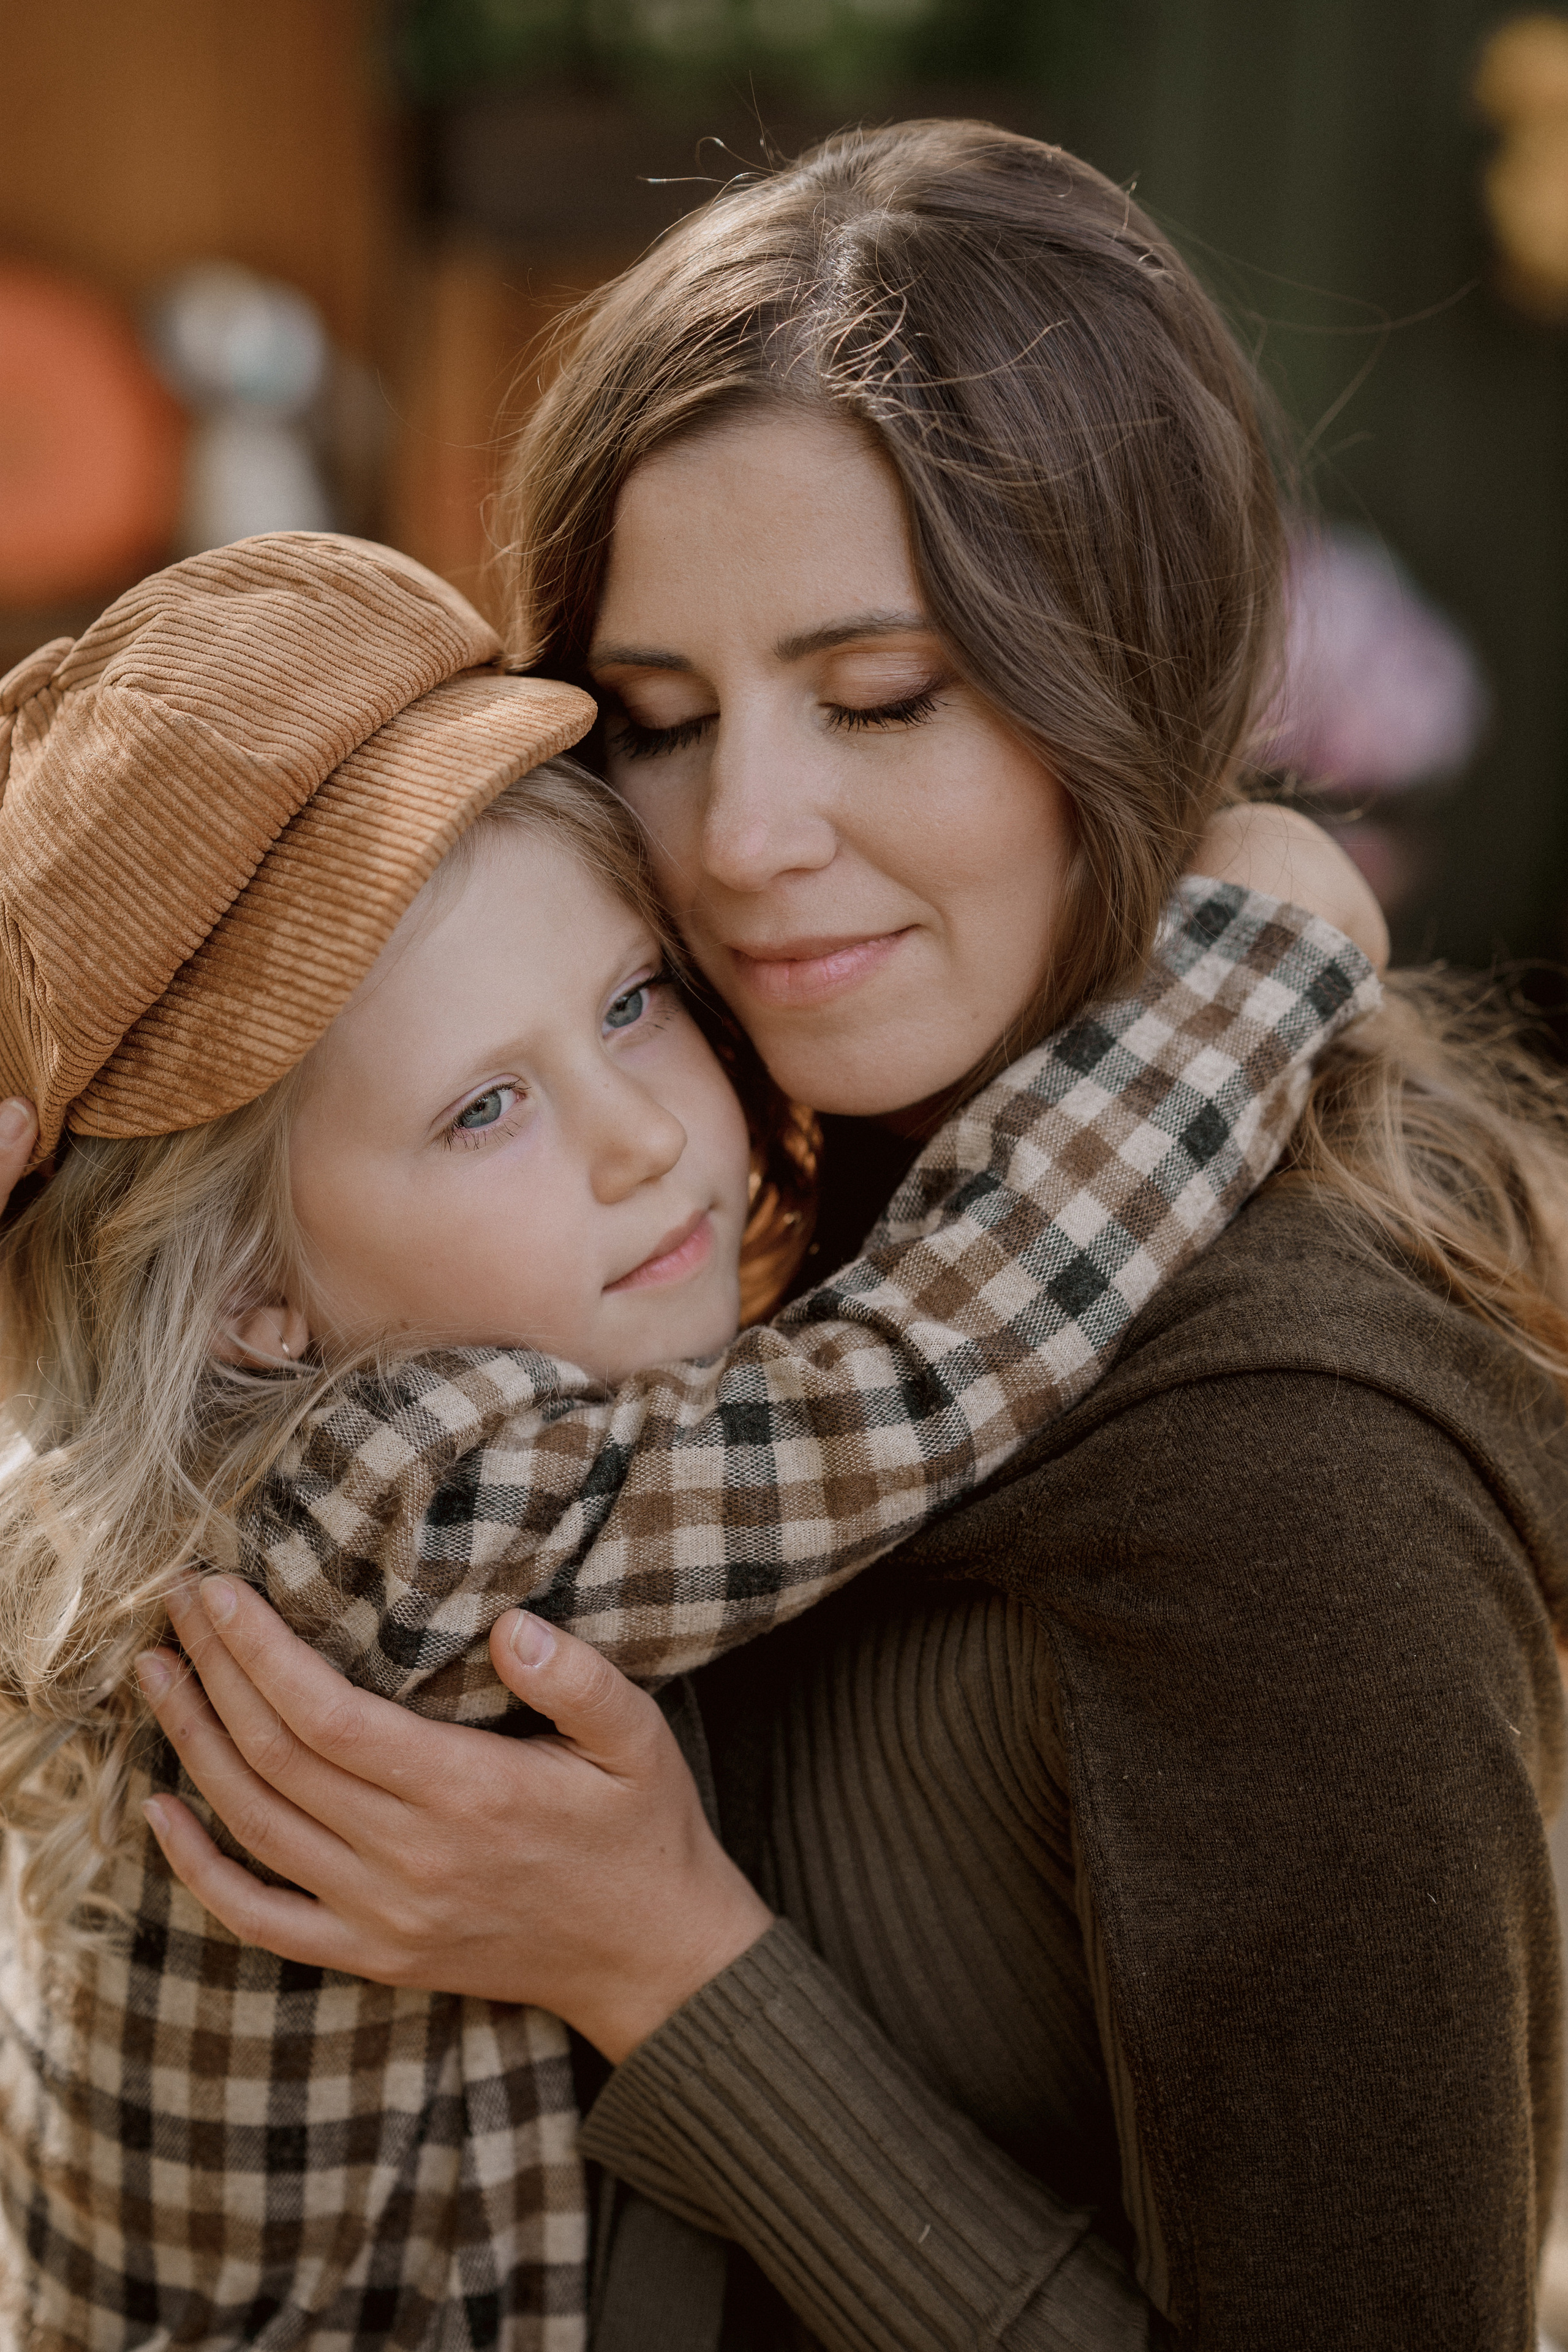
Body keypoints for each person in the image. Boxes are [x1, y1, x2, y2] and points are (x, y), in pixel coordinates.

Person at [71, 121, 1568, 2349]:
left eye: (882, 698)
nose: (748, 838)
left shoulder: (1294, 1468)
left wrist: (669, 1968)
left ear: (1134, 672)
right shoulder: (716, 1231)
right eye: (659, 723)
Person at [0, 529, 1371, 2350]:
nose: (643, 1136)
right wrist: (1252, 959)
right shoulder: (366, 1505)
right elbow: (911, 1378)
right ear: (251, 1295)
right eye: (486, 1108)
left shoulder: (207, 1459)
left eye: (632, 1002)